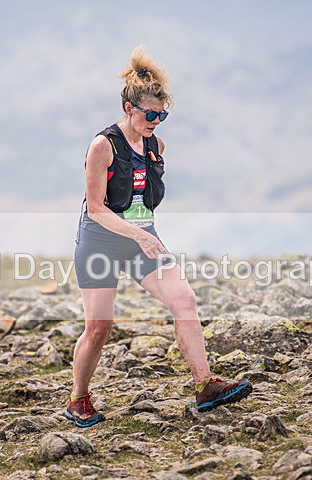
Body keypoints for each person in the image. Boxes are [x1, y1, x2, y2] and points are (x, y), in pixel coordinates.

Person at [66, 46, 252, 428]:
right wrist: (139, 234)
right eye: (151, 114)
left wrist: (144, 235)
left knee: (184, 300)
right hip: (100, 240)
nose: (157, 121)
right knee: (99, 328)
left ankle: (205, 386)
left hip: (142, 240)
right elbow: (97, 208)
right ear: (130, 108)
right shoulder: (102, 146)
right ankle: (78, 399)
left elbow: (143, 200)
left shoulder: (155, 144)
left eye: (162, 115)